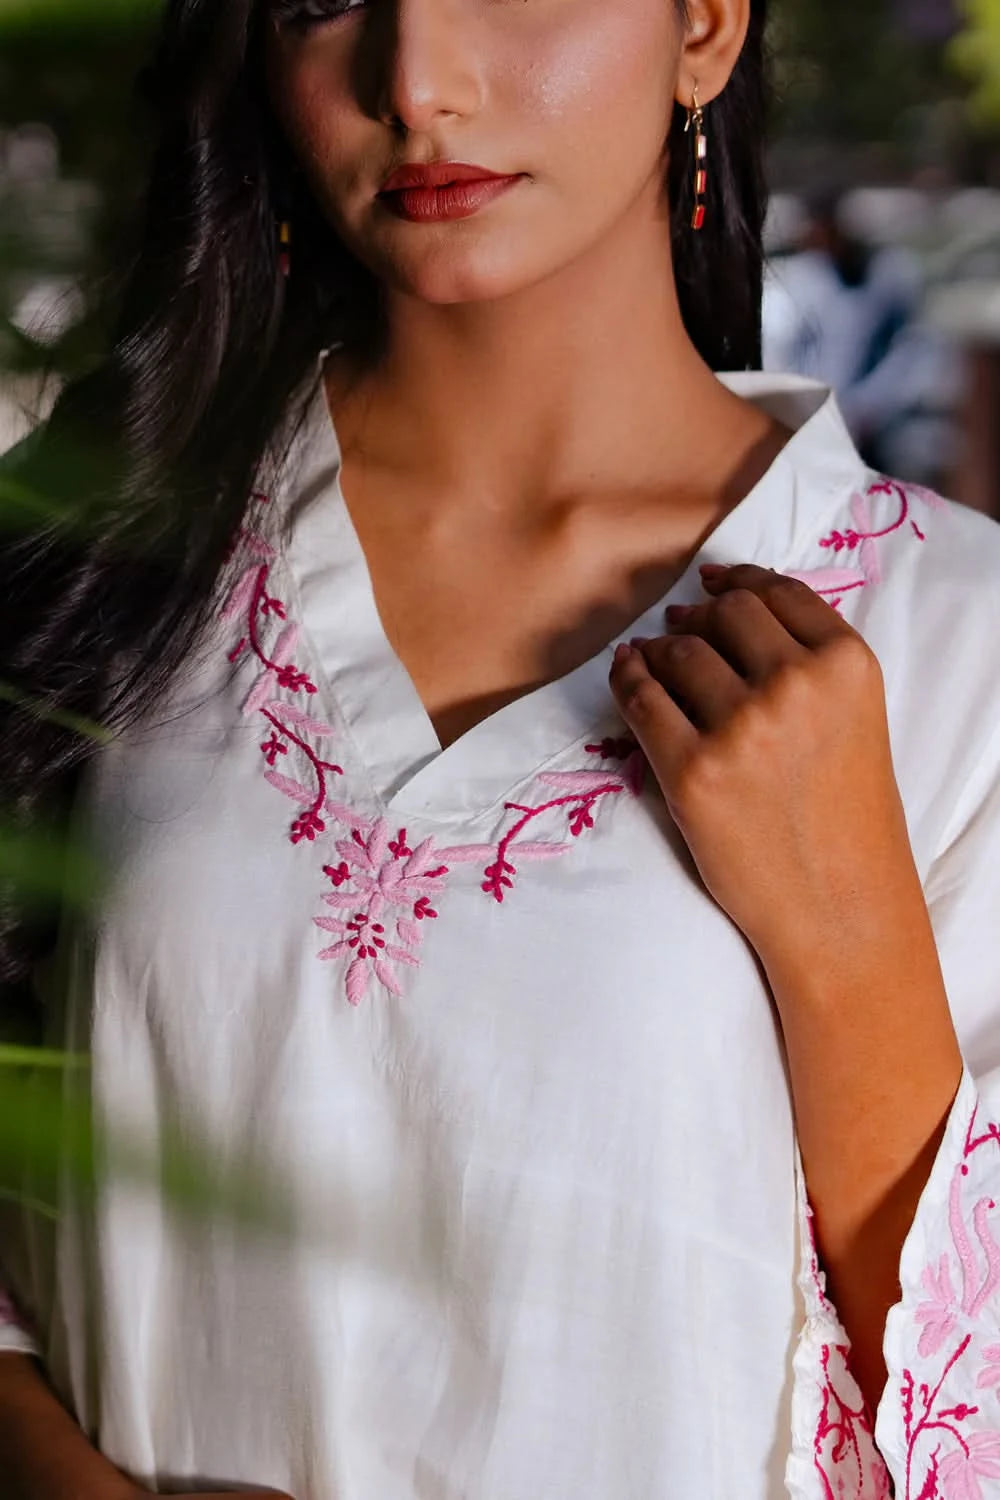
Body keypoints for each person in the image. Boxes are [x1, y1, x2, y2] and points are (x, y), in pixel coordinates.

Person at [1, 1, 999, 1496]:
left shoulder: (956, 646)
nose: (416, 81)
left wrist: (847, 943)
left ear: (707, 26)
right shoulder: (100, 570)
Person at [762, 186, 962, 488]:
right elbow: (783, 350)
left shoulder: (890, 274)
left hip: (878, 424)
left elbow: (910, 350)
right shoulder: (799, 278)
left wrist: (869, 407)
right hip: (814, 421)